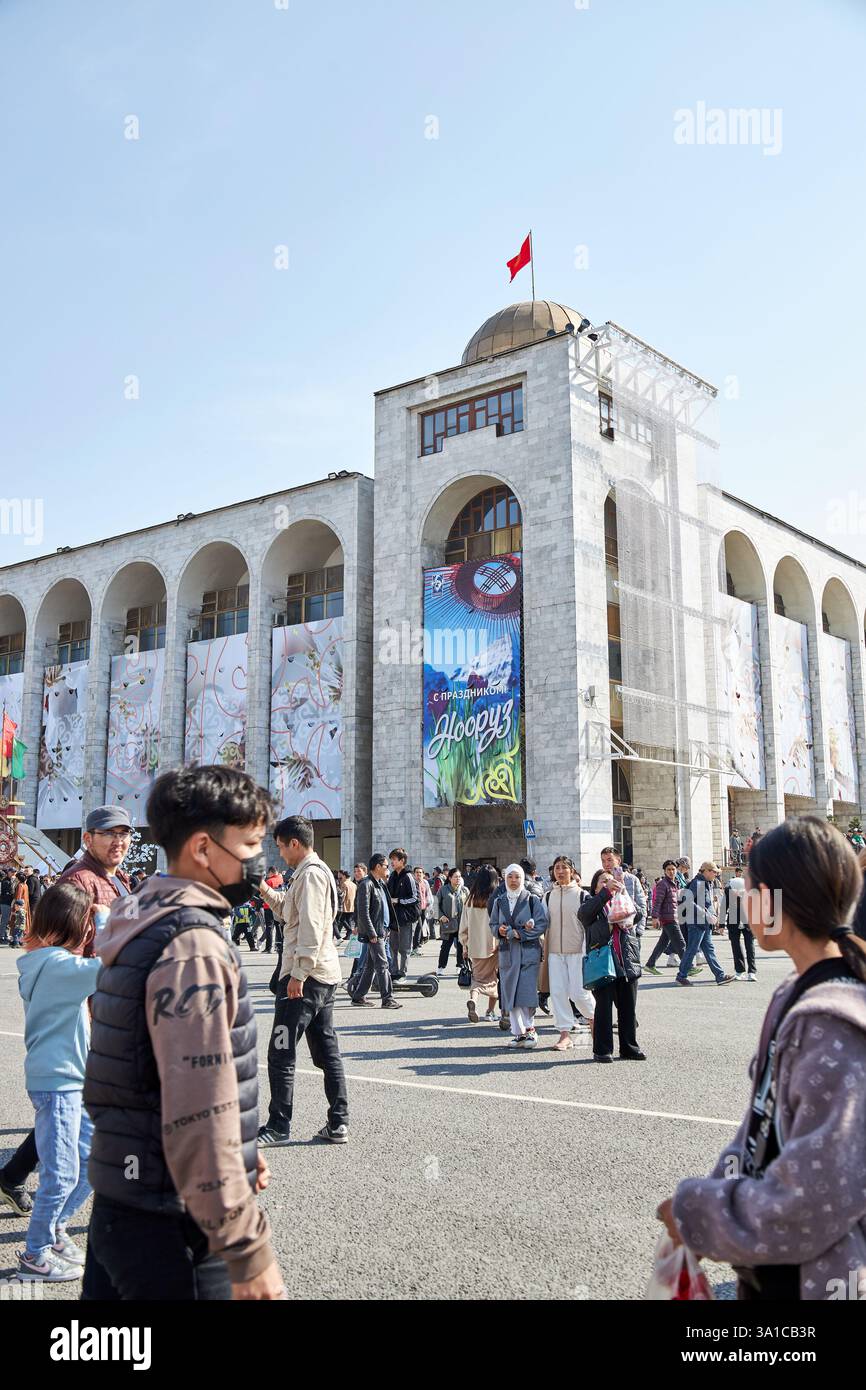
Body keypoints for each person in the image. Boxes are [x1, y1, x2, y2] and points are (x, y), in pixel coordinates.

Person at [81, 764, 283, 1301]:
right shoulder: (191, 943)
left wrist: (238, 1147)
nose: (257, 863)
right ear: (201, 848)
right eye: (250, 845)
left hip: (123, 1198)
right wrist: (247, 1251)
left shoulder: (141, 919)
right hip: (173, 1222)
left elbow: (151, 1073)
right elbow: (199, 1111)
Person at [657, 817, 866, 1301]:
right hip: (770, 1272)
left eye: (748, 888)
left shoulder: (832, 1021)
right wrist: (706, 1199)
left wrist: (703, 1212)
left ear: (772, 898)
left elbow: (815, 1195)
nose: (743, 901)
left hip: (819, 1281)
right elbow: (758, 1129)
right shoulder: (794, 993)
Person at [14, 882, 103, 1281]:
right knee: (62, 1173)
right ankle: (35, 1255)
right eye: (87, 924)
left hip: (68, 1080)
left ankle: (53, 1231)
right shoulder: (58, 965)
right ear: (77, 926)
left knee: (91, 1161)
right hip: (60, 1084)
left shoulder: (47, 961)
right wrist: (107, 920)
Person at [256, 815, 349, 1148]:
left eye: (281, 847)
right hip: (324, 977)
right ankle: (338, 1122)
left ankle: (278, 1125)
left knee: (280, 1052)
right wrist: (264, 889)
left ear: (295, 843)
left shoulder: (309, 876)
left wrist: (298, 973)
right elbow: (287, 911)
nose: (281, 854)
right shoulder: (314, 872)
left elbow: (309, 926)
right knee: (326, 1051)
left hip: (304, 979)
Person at [579, 869, 645, 1062]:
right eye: (602, 881)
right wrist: (605, 893)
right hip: (603, 961)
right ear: (595, 886)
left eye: (610, 880)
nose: (608, 883)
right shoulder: (591, 905)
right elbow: (584, 916)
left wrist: (623, 893)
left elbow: (639, 915)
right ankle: (602, 1050)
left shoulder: (622, 900)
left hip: (626, 959)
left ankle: (629, 1047)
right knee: (604, 1007)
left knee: (628, 1007)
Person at [490, 864, 548, 1048]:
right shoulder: (500, 901)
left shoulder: (531, 900)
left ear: (523, 878)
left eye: (517, 877)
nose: (513, 881)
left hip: (527, 951)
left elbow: (541, 924)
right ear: (504, 879)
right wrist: (498, 930)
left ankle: (531, 1030)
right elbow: (492, 924)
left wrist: (520, 934)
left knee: (525, 991)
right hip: (507, 951)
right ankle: (518, 1033)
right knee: (509, 993)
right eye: (510, 877)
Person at [58, 805, 133, 940]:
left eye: (124, 834)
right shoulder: (77, 881)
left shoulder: (121, 878)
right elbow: (65, 953)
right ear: (88, 839)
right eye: (109, 833)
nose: (118, 841)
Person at [543, 856, 595, 1051]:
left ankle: (593, 1021)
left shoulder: (582, 896)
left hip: (578, 950)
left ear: (572, 871)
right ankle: (565, 1035)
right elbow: (542, 921)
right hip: (555, 952)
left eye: (564, 867)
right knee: (557, 993)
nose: (560, 871)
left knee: (579, 993)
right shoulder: (548, 896)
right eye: (557, 868)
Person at [349, 854, 401, 1008]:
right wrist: (372, 933)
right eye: (386, 866)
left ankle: (358, 997)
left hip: (382, 931)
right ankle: (387, 999)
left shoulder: (380, 884)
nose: (388, 868)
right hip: (375, 933)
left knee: (370, 966)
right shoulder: (366, 884)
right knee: (383, 965)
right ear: (378, 867)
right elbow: (363, 912)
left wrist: (388, 927)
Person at [675, 862, 735, 987]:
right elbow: (688, 901)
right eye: (714, 872)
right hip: (697, 922)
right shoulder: (698, 883)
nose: (716, 874)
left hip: (703, 922)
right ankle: (681, 976)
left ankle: (719, 976)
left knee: (708, 949)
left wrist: (711, 915)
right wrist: (706, 914)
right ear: (706, 871)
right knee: (692, 949)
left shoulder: (705, 882)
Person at [458, 866, 500, 1022]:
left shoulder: (469, 899)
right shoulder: (496, 899)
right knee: (493, 979)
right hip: (493, 946)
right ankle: (490, 1011)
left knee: (478, 978)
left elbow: (464, 926)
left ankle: (474, 1000)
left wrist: (464, 945)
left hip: (474, 946)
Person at [644, 860, 687, 975]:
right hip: (668, 918)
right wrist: (654, 917)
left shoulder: (674, 883)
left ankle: (650, 964)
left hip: (673, 916)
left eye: (673, 869)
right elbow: (658, 902)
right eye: (668, 870)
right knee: (681, 943)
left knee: (662, 943)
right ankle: (688, 966)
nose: (671, 872)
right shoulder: (663, 884)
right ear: (664, 871)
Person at [600, 846, 647, 951]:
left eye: (609, 860)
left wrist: (639, 931)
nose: (606, 864)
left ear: (618, 860)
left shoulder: (632, 879)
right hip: (609, 932)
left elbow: (641, 905)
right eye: (603, 861)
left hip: (630, 930)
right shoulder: (601, 880)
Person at [386, 848, 419, 980]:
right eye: (391, 859)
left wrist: (398, 901)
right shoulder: (393, 876)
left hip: (405, 918)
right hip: (394, 917)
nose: (392, 862)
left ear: (402, 861)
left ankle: (402, 973)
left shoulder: (408, 877)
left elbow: (415, 898)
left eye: (394, 859)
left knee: (404, 948)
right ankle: (394, 972)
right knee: (393, 947)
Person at [436, 867, 468, 976]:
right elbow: (436, 905)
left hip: (462, 923)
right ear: (450, 878)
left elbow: (469, 907)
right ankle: (441, 967)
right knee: (445, 946)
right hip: (448, 923)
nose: (458, 879)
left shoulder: (465, 890)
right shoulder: (443, 890)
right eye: (455, 877)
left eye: (459, 877)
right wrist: (441, 916)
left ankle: (460, 966)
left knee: (461, 946)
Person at [725, 872, 756, 980]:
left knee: (750, 945)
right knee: (735, 946)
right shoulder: (728, 891)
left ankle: (752, 972)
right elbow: (724, 905)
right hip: (733, 922)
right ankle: (739, 970)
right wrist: (720, 925)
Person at [411, 865, 431, 955]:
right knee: (415, 928)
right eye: (417, 872)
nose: (418, 874)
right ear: (414, 874)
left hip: (424, 908)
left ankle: (416, 947)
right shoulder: (412, 883)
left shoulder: (425, 883)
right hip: (415, 909)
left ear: (423, 874)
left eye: (420, 872)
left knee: (420, 928)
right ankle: (414, 947)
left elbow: (428, 894)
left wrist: (429, 905)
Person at [0, 867, 12, 944]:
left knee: (4, 920)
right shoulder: (5, 882)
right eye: (11, 872)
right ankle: (2, 937)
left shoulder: (7, 881)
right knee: (4, 920)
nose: (13, 874)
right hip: (5, 902)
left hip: (5, 902)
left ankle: (3, 935)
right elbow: (6, 893)